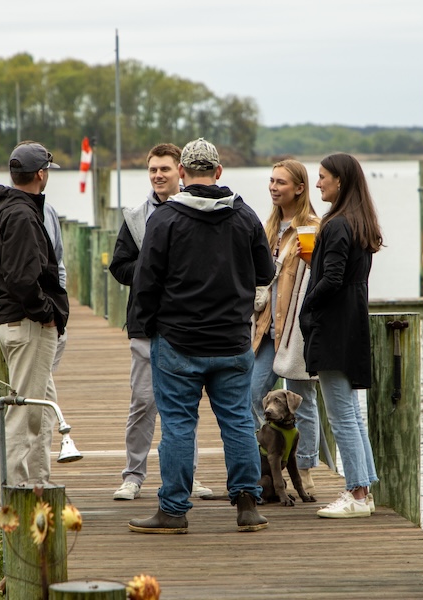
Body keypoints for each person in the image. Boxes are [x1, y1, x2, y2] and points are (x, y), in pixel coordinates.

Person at [128, 138, 275, 533]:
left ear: (182, 173)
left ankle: (173, 511)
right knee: (239, 421)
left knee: (178, 425)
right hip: (232, 341)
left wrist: (146, 324)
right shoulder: (244, 216)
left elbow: (145, 282)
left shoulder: (166, 218)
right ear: (218, 172)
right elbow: (266, 273)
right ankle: (247, 505)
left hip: (178, 341)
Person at [109, 143, 213, 501]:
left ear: (180, 171)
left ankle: (189, 476)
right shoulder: (136, 216)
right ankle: (133, 476)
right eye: (152, 170)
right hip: (146, 325)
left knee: (184, 406)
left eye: (164, 169)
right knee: (142, 402)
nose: (157, 175)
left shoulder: (198, 209)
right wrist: (152, 266)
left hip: (186, 325)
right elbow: (119, 267)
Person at [0, 184, 81, 513]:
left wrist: (56, 316)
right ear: (42, 173)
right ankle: (8, 504)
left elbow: (54, 265)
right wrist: (46, 313)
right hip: (27, 324)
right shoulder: (18, 214)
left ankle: (39, 486)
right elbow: (1, 275)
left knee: (42, 405)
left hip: (26, 324)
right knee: (22, 411)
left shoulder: (23, 210)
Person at [298, 152, 383, 519]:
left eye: (322, 177)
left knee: (341, 417)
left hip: (333, 328)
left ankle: (356, 494)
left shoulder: (335, 225)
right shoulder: (360, 223)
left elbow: (331, 278)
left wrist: (307, 307)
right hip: (353, 323)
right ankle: (365, 487)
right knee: (352, 414)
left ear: (340, 181)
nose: (317, 184)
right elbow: (343, 275)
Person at [250, 159, 321, 496]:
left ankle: (304, 468)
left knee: (301, 398)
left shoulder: (312, 228)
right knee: (253, 390)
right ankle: (265, 462)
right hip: (266, 328)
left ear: (299, 188)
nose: (273, 187)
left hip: (296, 331)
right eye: (271, 181)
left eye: (281, 182)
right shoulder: (268, 227)